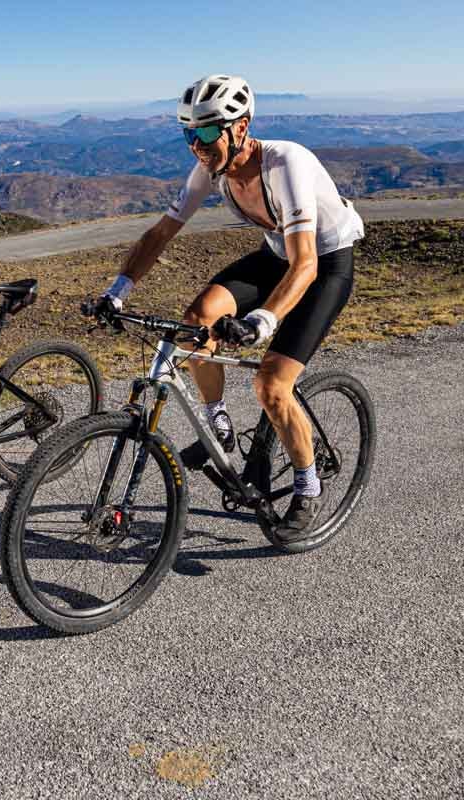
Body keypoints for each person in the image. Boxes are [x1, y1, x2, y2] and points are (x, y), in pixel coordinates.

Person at [93, 75, 364, 543]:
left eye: (204, 132)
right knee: (196, 320)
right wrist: (117, 291)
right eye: (186, 134)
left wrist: (264, 320)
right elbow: (159, 235)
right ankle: (219, 426)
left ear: (240, 127)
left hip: (324, 263)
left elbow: (305, 265)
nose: (195, 146)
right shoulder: (210, 171)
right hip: (275, 255)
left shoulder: (286, 163)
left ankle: (307, 484)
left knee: (271, 384)